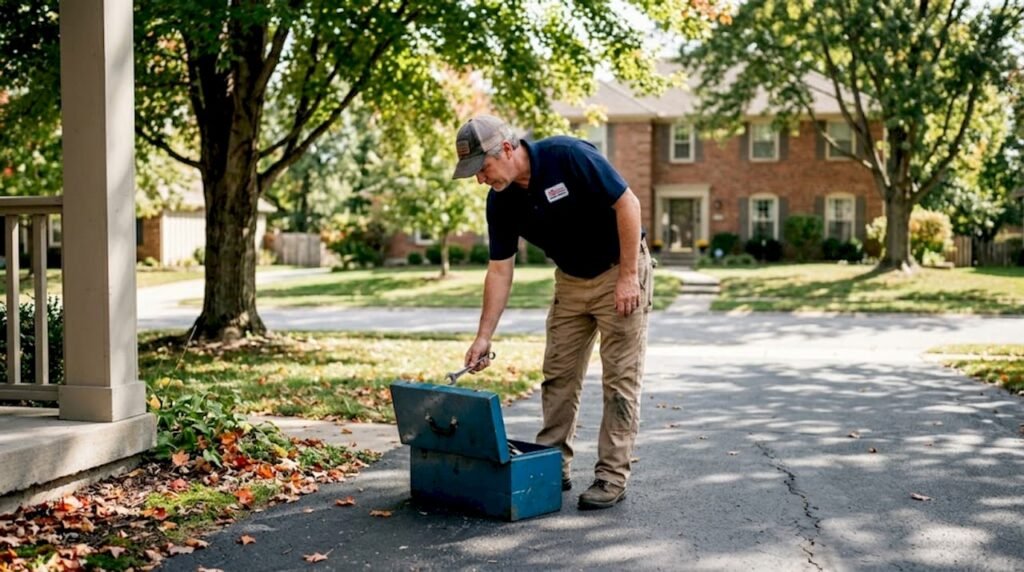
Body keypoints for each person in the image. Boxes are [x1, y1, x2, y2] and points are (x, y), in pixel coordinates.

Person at [452, 114, 653, 510]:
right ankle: (551, 465)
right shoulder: (501, 199)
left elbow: (627, 203)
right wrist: (484, 336)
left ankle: (611, 476)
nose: (480, 179)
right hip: (571, 281)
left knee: (620, 380)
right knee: (558, 376)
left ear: (506, 149)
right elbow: (500, 269)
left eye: (482, 168)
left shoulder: (568, 155)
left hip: (620, 270)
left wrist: (630, 276)